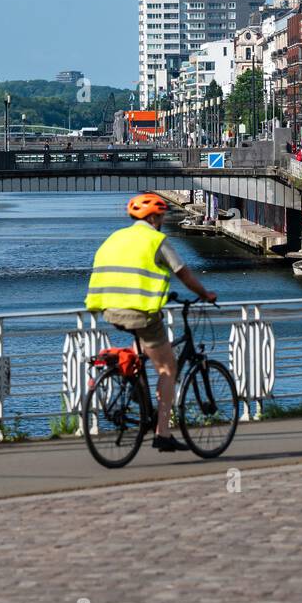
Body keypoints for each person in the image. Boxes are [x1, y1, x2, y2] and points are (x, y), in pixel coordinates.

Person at [85, 193, 217, 452]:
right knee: (168, 368)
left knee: (146, 347)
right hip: (140, 311)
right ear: (154, 217)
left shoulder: (115, 237)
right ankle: (163, 432)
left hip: (109, 308)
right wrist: (205, 294)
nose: (163, 221)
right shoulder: (156, 240)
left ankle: (136, 385)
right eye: (162, 216)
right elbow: (184, 274)